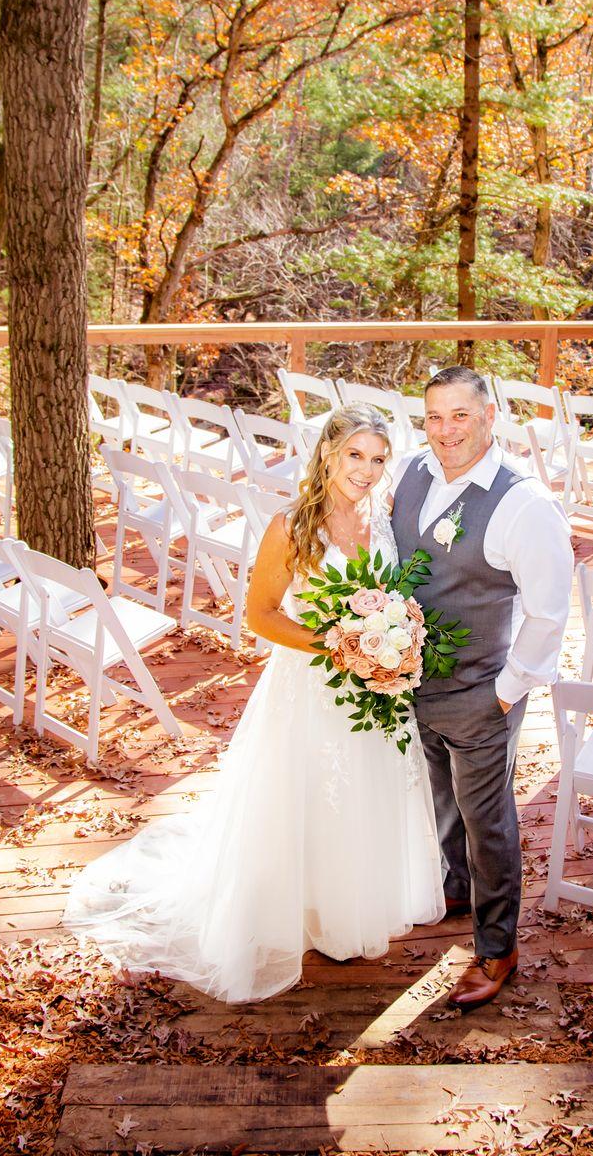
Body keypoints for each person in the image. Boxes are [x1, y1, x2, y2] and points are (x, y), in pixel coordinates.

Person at [64, 404, 444, 1003]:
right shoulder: (291, 527)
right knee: (308, 792)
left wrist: (390, 644)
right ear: (327, 453)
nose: (366, 471)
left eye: (377, 460)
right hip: (312, 686)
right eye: (355, 456)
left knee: (364, 792)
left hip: (375, 688)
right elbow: (258, 616)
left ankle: (351, 903)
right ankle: (302, 909)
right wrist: (339, 646)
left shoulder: (384, 518)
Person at [392, 366, 574, 1010]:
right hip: (410, 677)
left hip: (481, 688)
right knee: (439, 793)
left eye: (460, 416)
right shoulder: (412, 472)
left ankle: (497, 947)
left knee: (486, 817)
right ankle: (456, 886)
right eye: (434, 417)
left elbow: (550, 611)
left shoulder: (524, 502)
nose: (446, 431)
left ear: (490, 416)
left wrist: (506, 690)